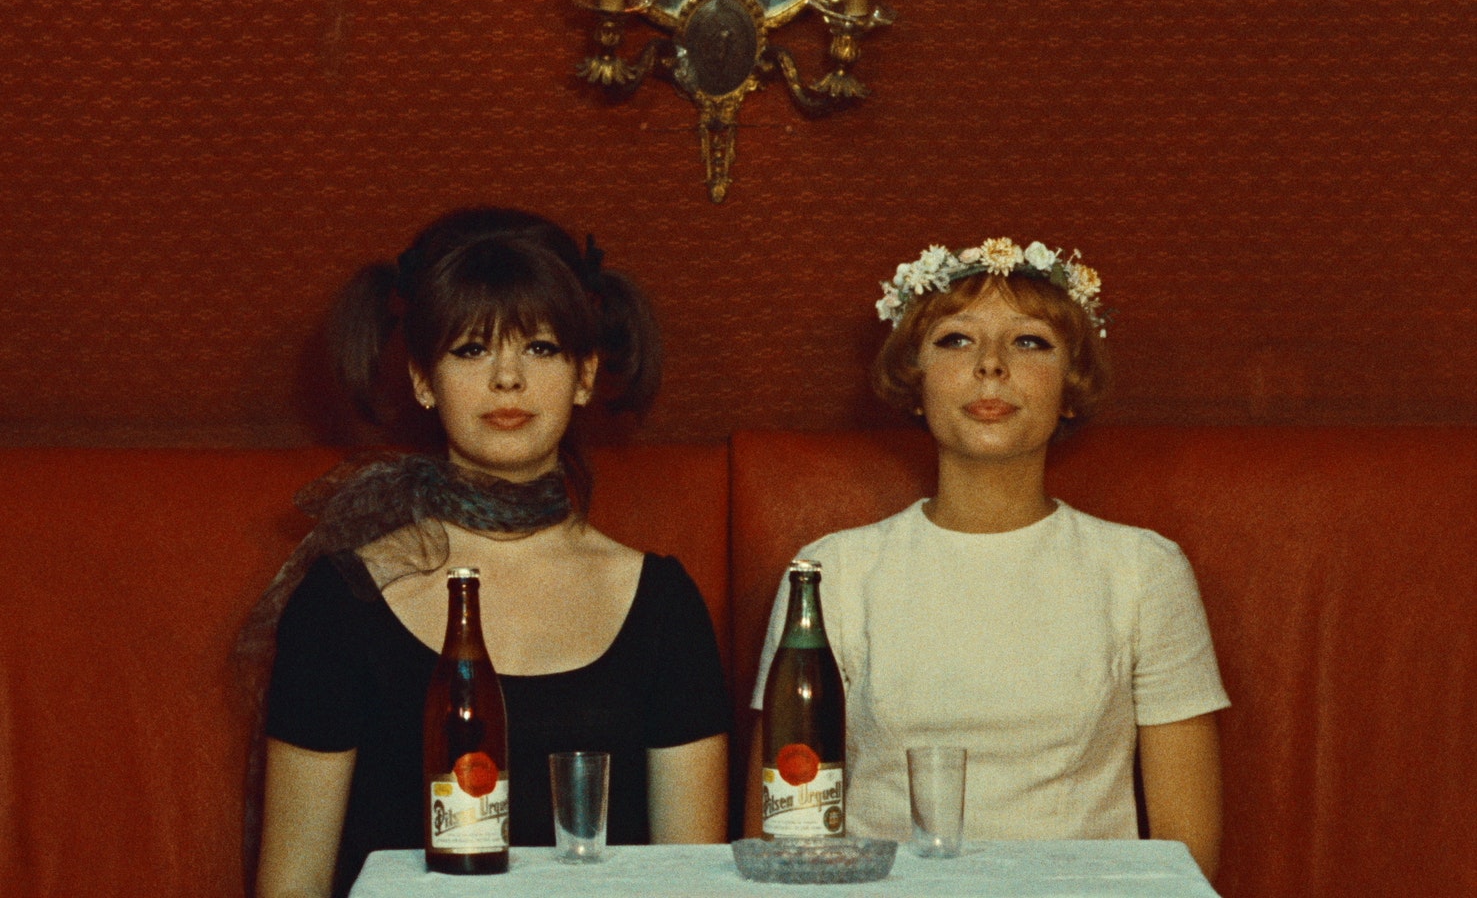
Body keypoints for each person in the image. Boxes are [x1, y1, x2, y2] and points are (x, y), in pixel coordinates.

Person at [238, 208, 731, 898]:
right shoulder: (343, 599)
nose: (507, 378)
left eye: (541, 348)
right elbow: (292, 883)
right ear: (420, 379)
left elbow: (693, 882)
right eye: (471, 350)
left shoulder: (661, 604)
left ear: (586, 375)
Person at [746, 238, 1229, 880]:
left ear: (1071, 387)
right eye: (955, 340)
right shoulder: (833, 573)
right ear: (915, 382)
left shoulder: (1143, 570)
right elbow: (781, 838)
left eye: (1029, 342)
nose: (991, 365)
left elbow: (1186, 852)